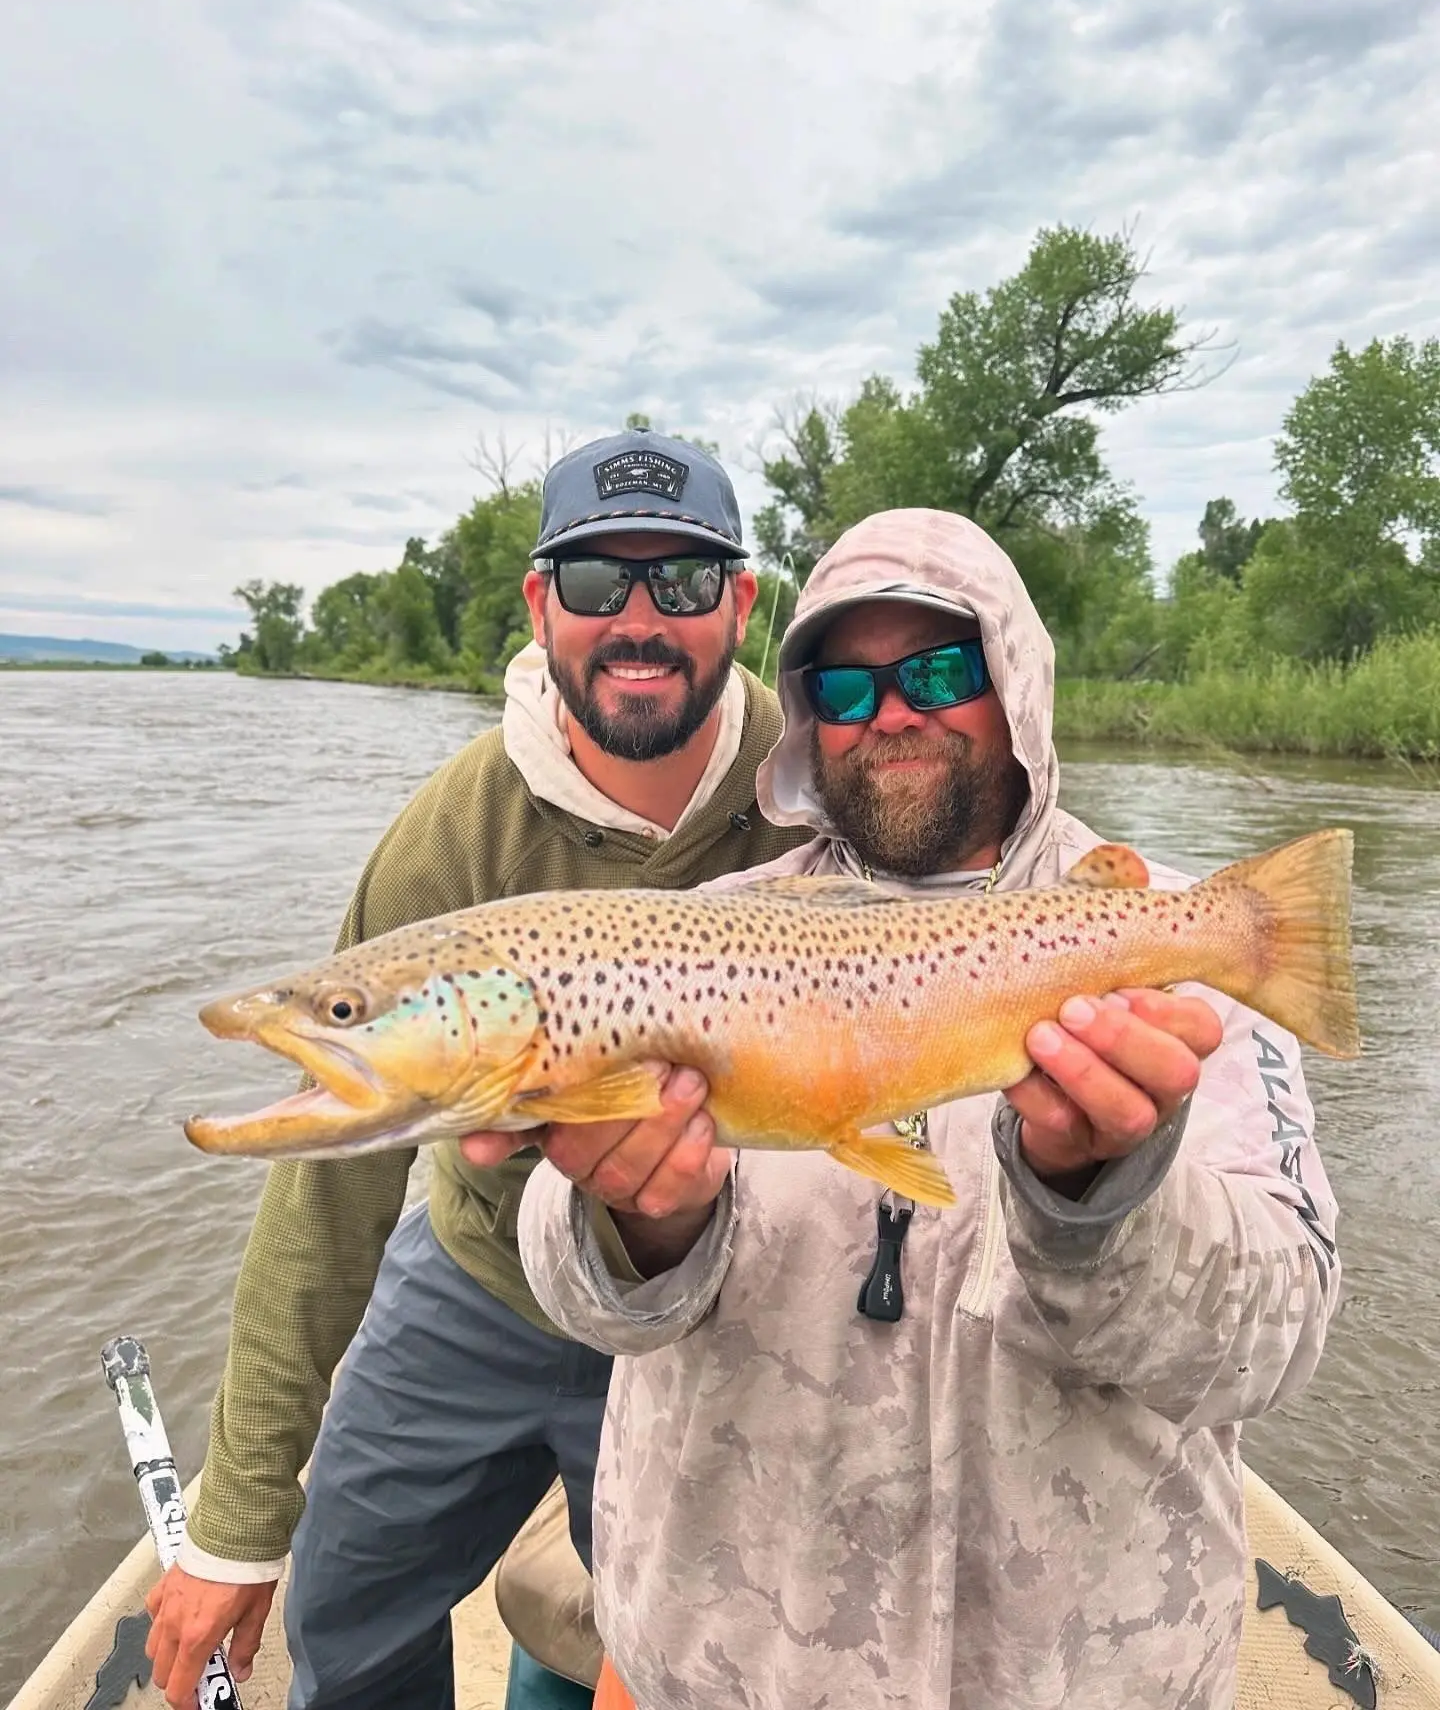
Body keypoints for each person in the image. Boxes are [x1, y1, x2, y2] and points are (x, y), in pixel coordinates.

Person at [495, 507, 1343, 1709]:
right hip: (730, 1668)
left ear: (1014, 685)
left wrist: (1105, 1204)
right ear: (806, 720)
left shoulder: (1171, 948)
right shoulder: (700, 935)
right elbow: (574, 1292)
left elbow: (1282, 1336)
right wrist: (642, 1228)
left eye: (940, 670)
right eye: (844, 687)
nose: (891, 713)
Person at [143, 431, 811, 1710]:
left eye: (678, 582)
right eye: (595, 583)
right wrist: (234, 1519)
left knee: (703, 1657)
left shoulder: (815, 793)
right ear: (538, 603)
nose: (637, 619)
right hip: (483, 1277)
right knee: (344, 1615)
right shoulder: (454, 831)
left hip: (732, 1296)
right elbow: (331, 1189)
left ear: (740, 601)